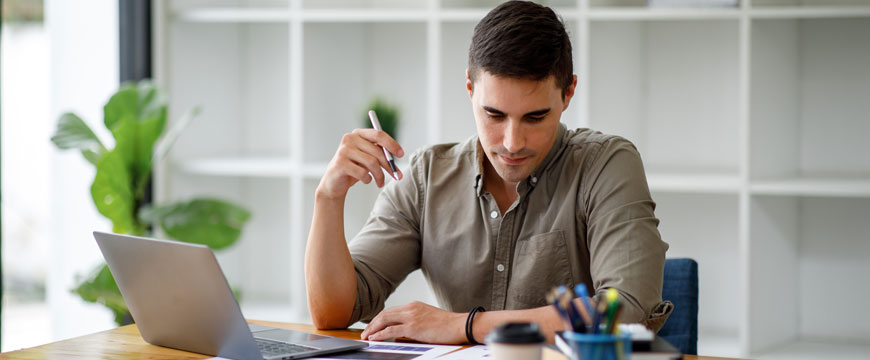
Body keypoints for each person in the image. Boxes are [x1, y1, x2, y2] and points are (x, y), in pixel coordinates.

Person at [304, 0, 671, 345]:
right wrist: (328, 198)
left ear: (568, 92)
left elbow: (626, 310)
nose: (512, 142)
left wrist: (465, 325)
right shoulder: (427, 177)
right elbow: (333, 314)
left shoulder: (606, 164)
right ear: (469, 88)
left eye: (535, 117)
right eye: (494, 115)